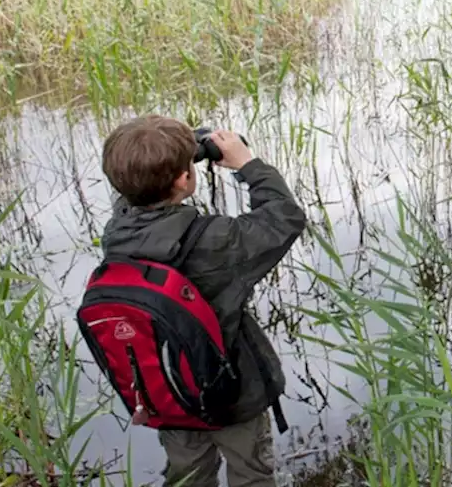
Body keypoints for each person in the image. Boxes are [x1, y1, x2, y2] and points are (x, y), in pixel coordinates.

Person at [98, 115, 307, 487]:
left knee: (189, 473)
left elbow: (141, 187)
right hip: (232, 395)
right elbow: (283, 218)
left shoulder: (118, 230)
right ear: (183, 178)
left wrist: (177, 154)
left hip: (169, 391)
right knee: (251, 474)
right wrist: (248, 165)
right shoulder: (215, 241)